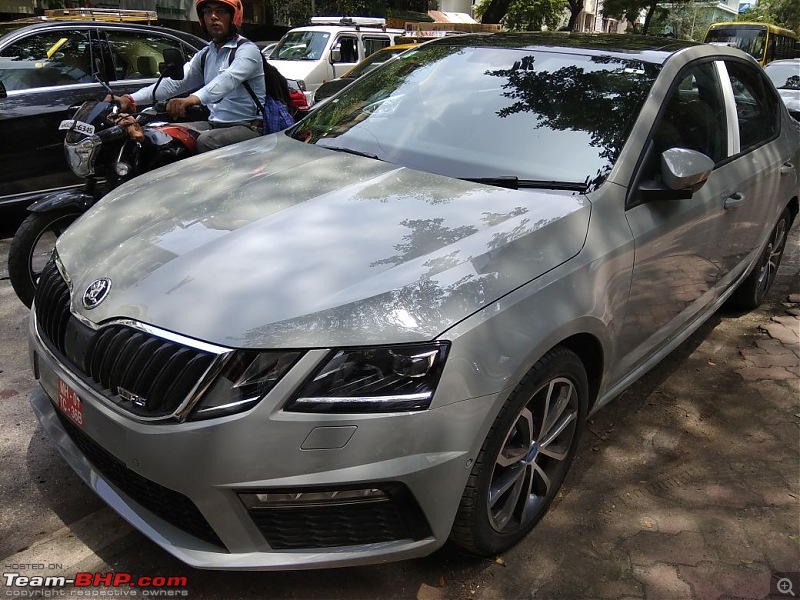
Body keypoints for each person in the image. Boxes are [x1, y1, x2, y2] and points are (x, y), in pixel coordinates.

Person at [108, 0, 267, 152]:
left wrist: (190, 99)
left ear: (234, 16)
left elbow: (227, 80)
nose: (213, 16)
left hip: (248, 127)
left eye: (220, 11)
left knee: (207, 141)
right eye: (208, 11)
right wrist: (130, 99)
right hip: (213, 125)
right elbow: (175, 83)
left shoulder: (247, 50)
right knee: (159, 135)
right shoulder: (206, 55)